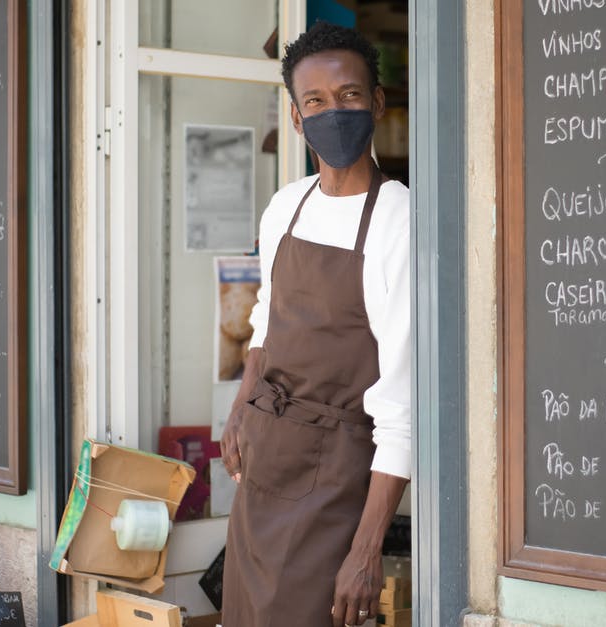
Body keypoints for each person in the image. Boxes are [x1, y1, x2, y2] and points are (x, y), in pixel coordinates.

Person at [220, 22, 411, 627]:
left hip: (335, 476)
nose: (335, 112)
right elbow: (266, 321)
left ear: (377, 103)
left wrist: (365, 548)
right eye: (317, 102)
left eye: (350, 96)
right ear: (298, 120)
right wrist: (242, 404)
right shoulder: (286, 205)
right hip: (264, 461)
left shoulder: (397, 222)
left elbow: (403, 404)